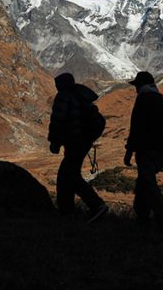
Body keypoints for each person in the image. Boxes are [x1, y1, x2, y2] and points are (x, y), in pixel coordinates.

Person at [48, 72, 108, 222]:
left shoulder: (64, 96)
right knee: (67, 174)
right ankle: (67, 211)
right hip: (83, 141)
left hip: (74, 142)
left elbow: (58, 120)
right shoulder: (80, 96)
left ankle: (96, 205)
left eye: (57, 83)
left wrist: (54, 141)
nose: (55, 86)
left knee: (69, 175)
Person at [124, 71, 163, 230]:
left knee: (148, 184)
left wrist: (129, 151)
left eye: (137, 86)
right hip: (160, 150)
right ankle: (142, 217)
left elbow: (136, 128)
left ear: (141, 85)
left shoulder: (143, 101)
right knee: (143, 182)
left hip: (146, 149)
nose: (135, 89)